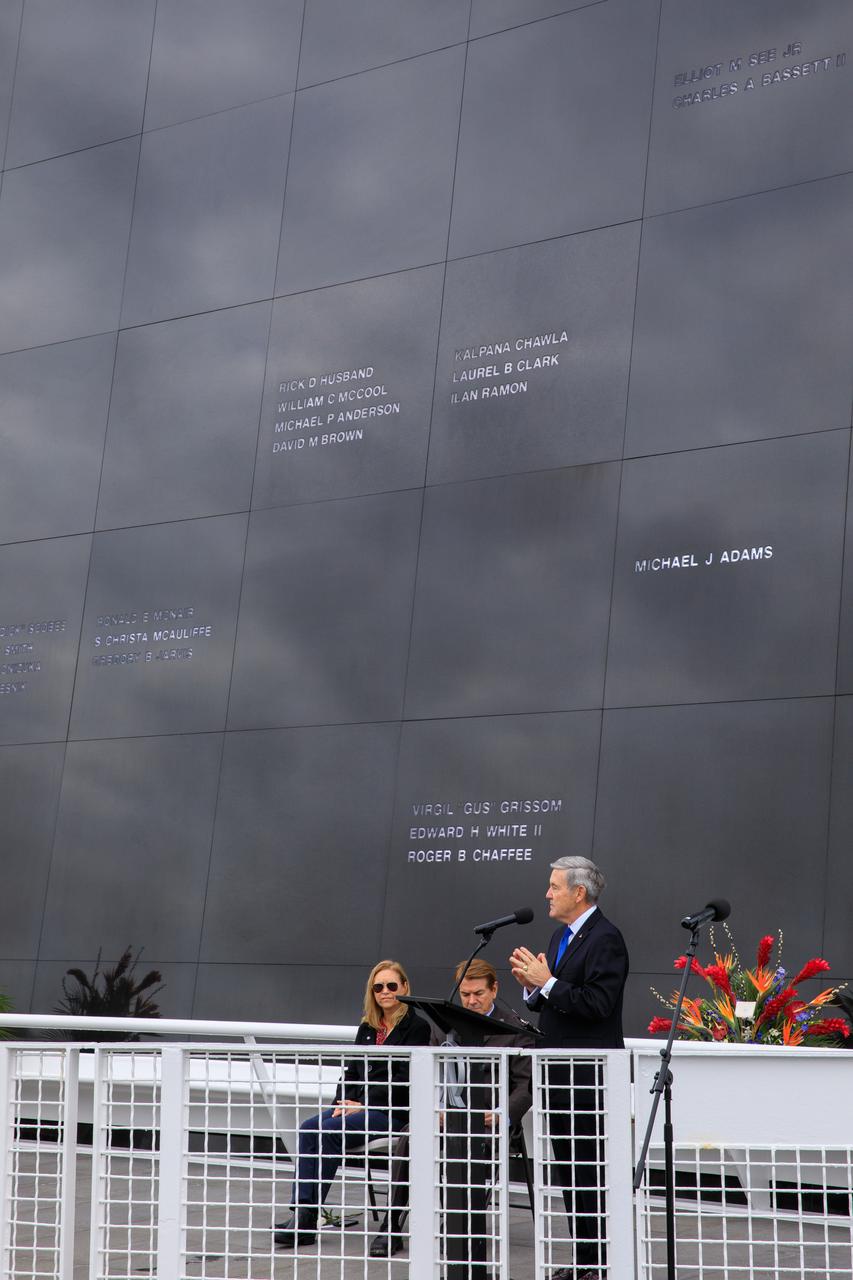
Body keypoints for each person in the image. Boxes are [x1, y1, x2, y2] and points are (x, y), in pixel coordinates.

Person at [369, 958, 533, 1273]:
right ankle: (393, 1220)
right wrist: (435, 1108)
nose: (471, 1001)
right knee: (411, 1133)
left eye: (478, 994)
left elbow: (526, 1086)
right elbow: (427, 1075)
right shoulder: (445, 1025)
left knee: (468, 1144)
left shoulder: (514, 1028)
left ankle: (458, 1225)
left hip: (490, 1120)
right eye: (466, 994)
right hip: (448, 1114)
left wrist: (501, 1115)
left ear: (494, 989)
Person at [509, 856, 628, 1280]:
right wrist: (532, 988)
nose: (547, 893)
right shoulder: (561, 935)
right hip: (557, 1073)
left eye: (554, 886)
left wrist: (548, 982)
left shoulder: (606, 939)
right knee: (570, 1174)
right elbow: (555, 999)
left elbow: (598, 1004)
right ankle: (586, 1263)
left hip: (587, 1078)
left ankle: (601, 1263)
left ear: (579, 892)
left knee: (590, 1172)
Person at [274, 959, 430, 1248]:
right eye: (378, 987)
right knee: (310, 1127)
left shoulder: (417, 1028)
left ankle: (305, 1221)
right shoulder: (368, 1028)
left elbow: (405, 1080)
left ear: (405, 987)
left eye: (392, 985)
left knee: (331, 1131)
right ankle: (304, 1214)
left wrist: (364, 1104)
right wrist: (339, 1105)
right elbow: (351, 1073)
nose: (385, 991)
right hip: (361, 1109)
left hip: (393, 1112)